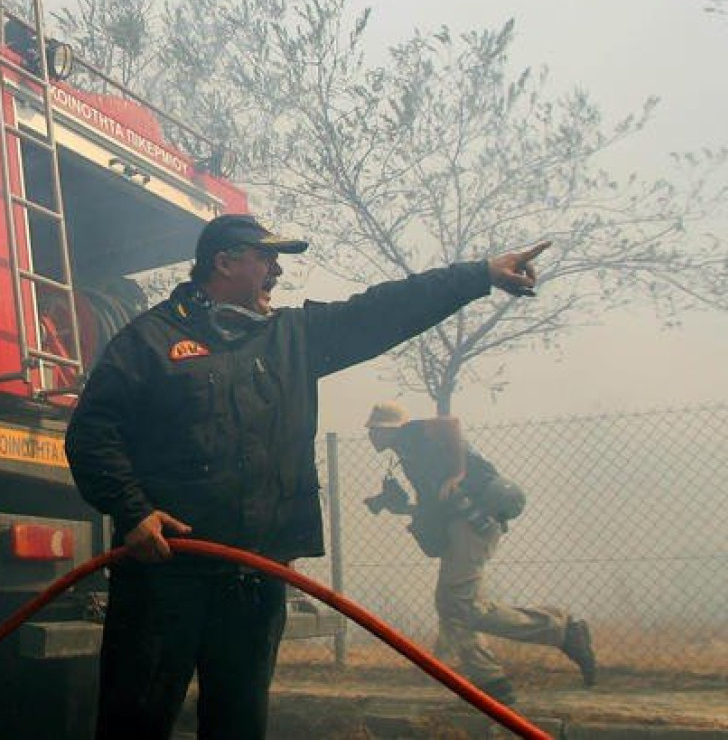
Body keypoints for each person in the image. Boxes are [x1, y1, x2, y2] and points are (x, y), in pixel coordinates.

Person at [65, 213, 551, 739]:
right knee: (134, 723)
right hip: (165, 576)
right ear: (224, 262)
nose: (277, 270)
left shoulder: (292, 338)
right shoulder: (149, 340)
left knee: (239, 726)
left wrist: (480, 275)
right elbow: (92, 432)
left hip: (255, 579)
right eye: (266, 258)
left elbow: (385, 309)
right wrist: (132, 512)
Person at [364, 401, 597, 706]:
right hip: (460, 526)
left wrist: (457, 474)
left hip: (472, 524)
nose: (371, 437)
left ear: (389, 429)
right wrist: (396, 506)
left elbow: (452, 424)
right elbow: (435, 503)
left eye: (374, 430)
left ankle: (516, 666)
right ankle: (516, 663)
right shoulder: (408, 456)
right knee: (459, 606)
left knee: (458, 606)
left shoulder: (415, 433)